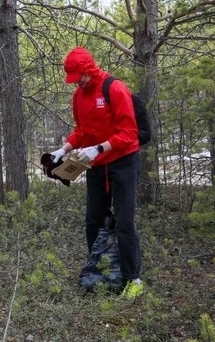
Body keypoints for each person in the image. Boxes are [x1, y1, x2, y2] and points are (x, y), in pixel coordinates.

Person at [49, 47, 145, 299]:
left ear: (89, 69)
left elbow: (130, 134)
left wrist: (99, 148)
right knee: (93, 220)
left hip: (122, 162)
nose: (77, 82)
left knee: (124, 222)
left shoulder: (114, 88)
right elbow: (81, 130)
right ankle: (99, 270)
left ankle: (133, 278)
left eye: (79, 76)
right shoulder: (79, 96)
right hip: (96, 165)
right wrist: (64, 148)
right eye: (73, 78)